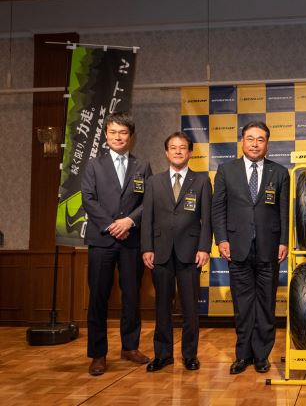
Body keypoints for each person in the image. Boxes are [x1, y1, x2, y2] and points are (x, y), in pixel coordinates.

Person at [212, 121, 289, 374]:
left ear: (267, 144)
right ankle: (242, 355)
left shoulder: (280, 173)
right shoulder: (226, 170)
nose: (255, 144)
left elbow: (285, 211)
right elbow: (218, 208)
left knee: (266, 305)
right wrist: (222, 239)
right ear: (242, 142)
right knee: (243, 306)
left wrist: (284, 241)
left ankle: (261, 356)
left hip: (269, 248)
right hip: (237, 247)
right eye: (250, 139)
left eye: (260, 139)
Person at [81, 112, 152, 376]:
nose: (118, 137)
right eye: (113, 132)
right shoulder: (93, 165)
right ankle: (98, 354)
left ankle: (130, 347)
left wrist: (129, 222)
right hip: (102, 240)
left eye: (123, 132)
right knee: (98, 297)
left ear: (131, 137)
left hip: (132, 241)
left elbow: (148, 201)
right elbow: (88, 198)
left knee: (131, 295)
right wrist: (112, 225)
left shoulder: (142, 166)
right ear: (106, 135)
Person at [141, 132, 212, 372]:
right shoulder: (154, 182)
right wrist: (147, 248)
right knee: (162, 306)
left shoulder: (201, 181)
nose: (178, 151)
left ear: (190, 152)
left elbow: (207, 219)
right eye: (173, 147)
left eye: (183, 148)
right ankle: (163, 355)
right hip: (160, 252)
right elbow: (147, 218)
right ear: (166, 152)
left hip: (190, 253)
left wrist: (204, 247)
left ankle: (190, 355)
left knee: (190, 308)